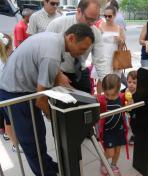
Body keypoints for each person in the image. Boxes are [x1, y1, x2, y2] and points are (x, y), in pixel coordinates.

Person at [0, 23, 94, 176]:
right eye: (82, 49)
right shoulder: (52, 54)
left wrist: (58, 74)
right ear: (71, 38)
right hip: (16, 95)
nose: (82, 54)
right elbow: (41, 99)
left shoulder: (54, 40)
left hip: (22, 90)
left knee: (39, 135)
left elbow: (42, 59)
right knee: (32, 141)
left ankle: (48, 165)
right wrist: (54, 117)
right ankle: (45, 172)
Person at [46, 0, 107, 94]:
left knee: (87, 102)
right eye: (89, 19)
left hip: (80, 72)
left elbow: (100, 61)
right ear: (79, 11)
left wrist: (107, 82)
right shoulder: (57, 25)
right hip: (59, 72)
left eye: (95, 20)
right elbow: (46, 52)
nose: (91, 23)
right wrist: (58, 74)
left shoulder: (96, 32)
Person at [97, 74, 129, 176]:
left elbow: (129, 106)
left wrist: (130, 103)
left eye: (113, 95)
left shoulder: (122, 96)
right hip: (108, 131)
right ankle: (103, 161)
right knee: (110, 152)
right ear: (103, 90)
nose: (110, 97)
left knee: (117, 151)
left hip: (119, 129)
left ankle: (114, 165)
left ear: (119, 90)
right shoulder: (101, 100)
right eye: (107, 94)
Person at [0, 33, 19, 151]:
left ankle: (13, 141)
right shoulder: (5, 63)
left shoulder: (6, 60)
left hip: (4, 94)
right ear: (8, 48)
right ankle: (15, 144)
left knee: (8, 120)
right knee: (9, 120)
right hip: (6, 94)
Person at [98, 6, 125, 78]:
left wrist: (120, 40)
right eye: (105, 16)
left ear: (114, 16)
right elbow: (97, 43)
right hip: (103, 57)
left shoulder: (119, 28)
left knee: (114, 79)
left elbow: (122, 44)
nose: (107, 18)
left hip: (115, 57)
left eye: (109, 16)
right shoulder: (100, 26)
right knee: (102, 79)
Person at [125, 70, 137, 145]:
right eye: (129, 82)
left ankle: (134, 135)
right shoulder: (126, 90)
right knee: (126, 123)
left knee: (134, 123)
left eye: (134, 83)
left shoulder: (137, 92)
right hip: (127, 110)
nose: (131, 84)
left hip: (135, 111)